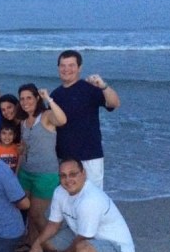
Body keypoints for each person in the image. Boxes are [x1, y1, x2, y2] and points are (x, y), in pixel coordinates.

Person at [20, 159, 135, 252]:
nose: (68, 180)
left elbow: (83, 238)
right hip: (86, 236)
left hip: (118, 248)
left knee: (83, 250)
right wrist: (36, 243)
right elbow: (54, 224)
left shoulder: (90, 199)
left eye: (73, 174)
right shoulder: (60, 191)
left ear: (83, 174)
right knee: (47, 243)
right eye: (63, 175)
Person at [51, 50, 121, 189]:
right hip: (64, 157)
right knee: (68, 196)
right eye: (63, 65)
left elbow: (114, 103)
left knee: (93, 196)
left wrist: (103, 86)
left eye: (71, 65)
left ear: (80, 68)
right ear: (58, 68)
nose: (66, 69)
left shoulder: (90, 88)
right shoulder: (55, 95)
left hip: (90, 156)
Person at [18, 83, 67, 243]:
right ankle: (31, 243)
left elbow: (62, 120)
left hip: (45, 174)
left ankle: (50, 246)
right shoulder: (23, 121)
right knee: (28, 211)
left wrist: (48, 99)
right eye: (22, 99)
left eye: (29, 98)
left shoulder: (46, 116)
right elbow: (24, 147)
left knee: (37, 214)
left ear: (37, 98)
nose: (25, 102)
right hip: (25, 172)